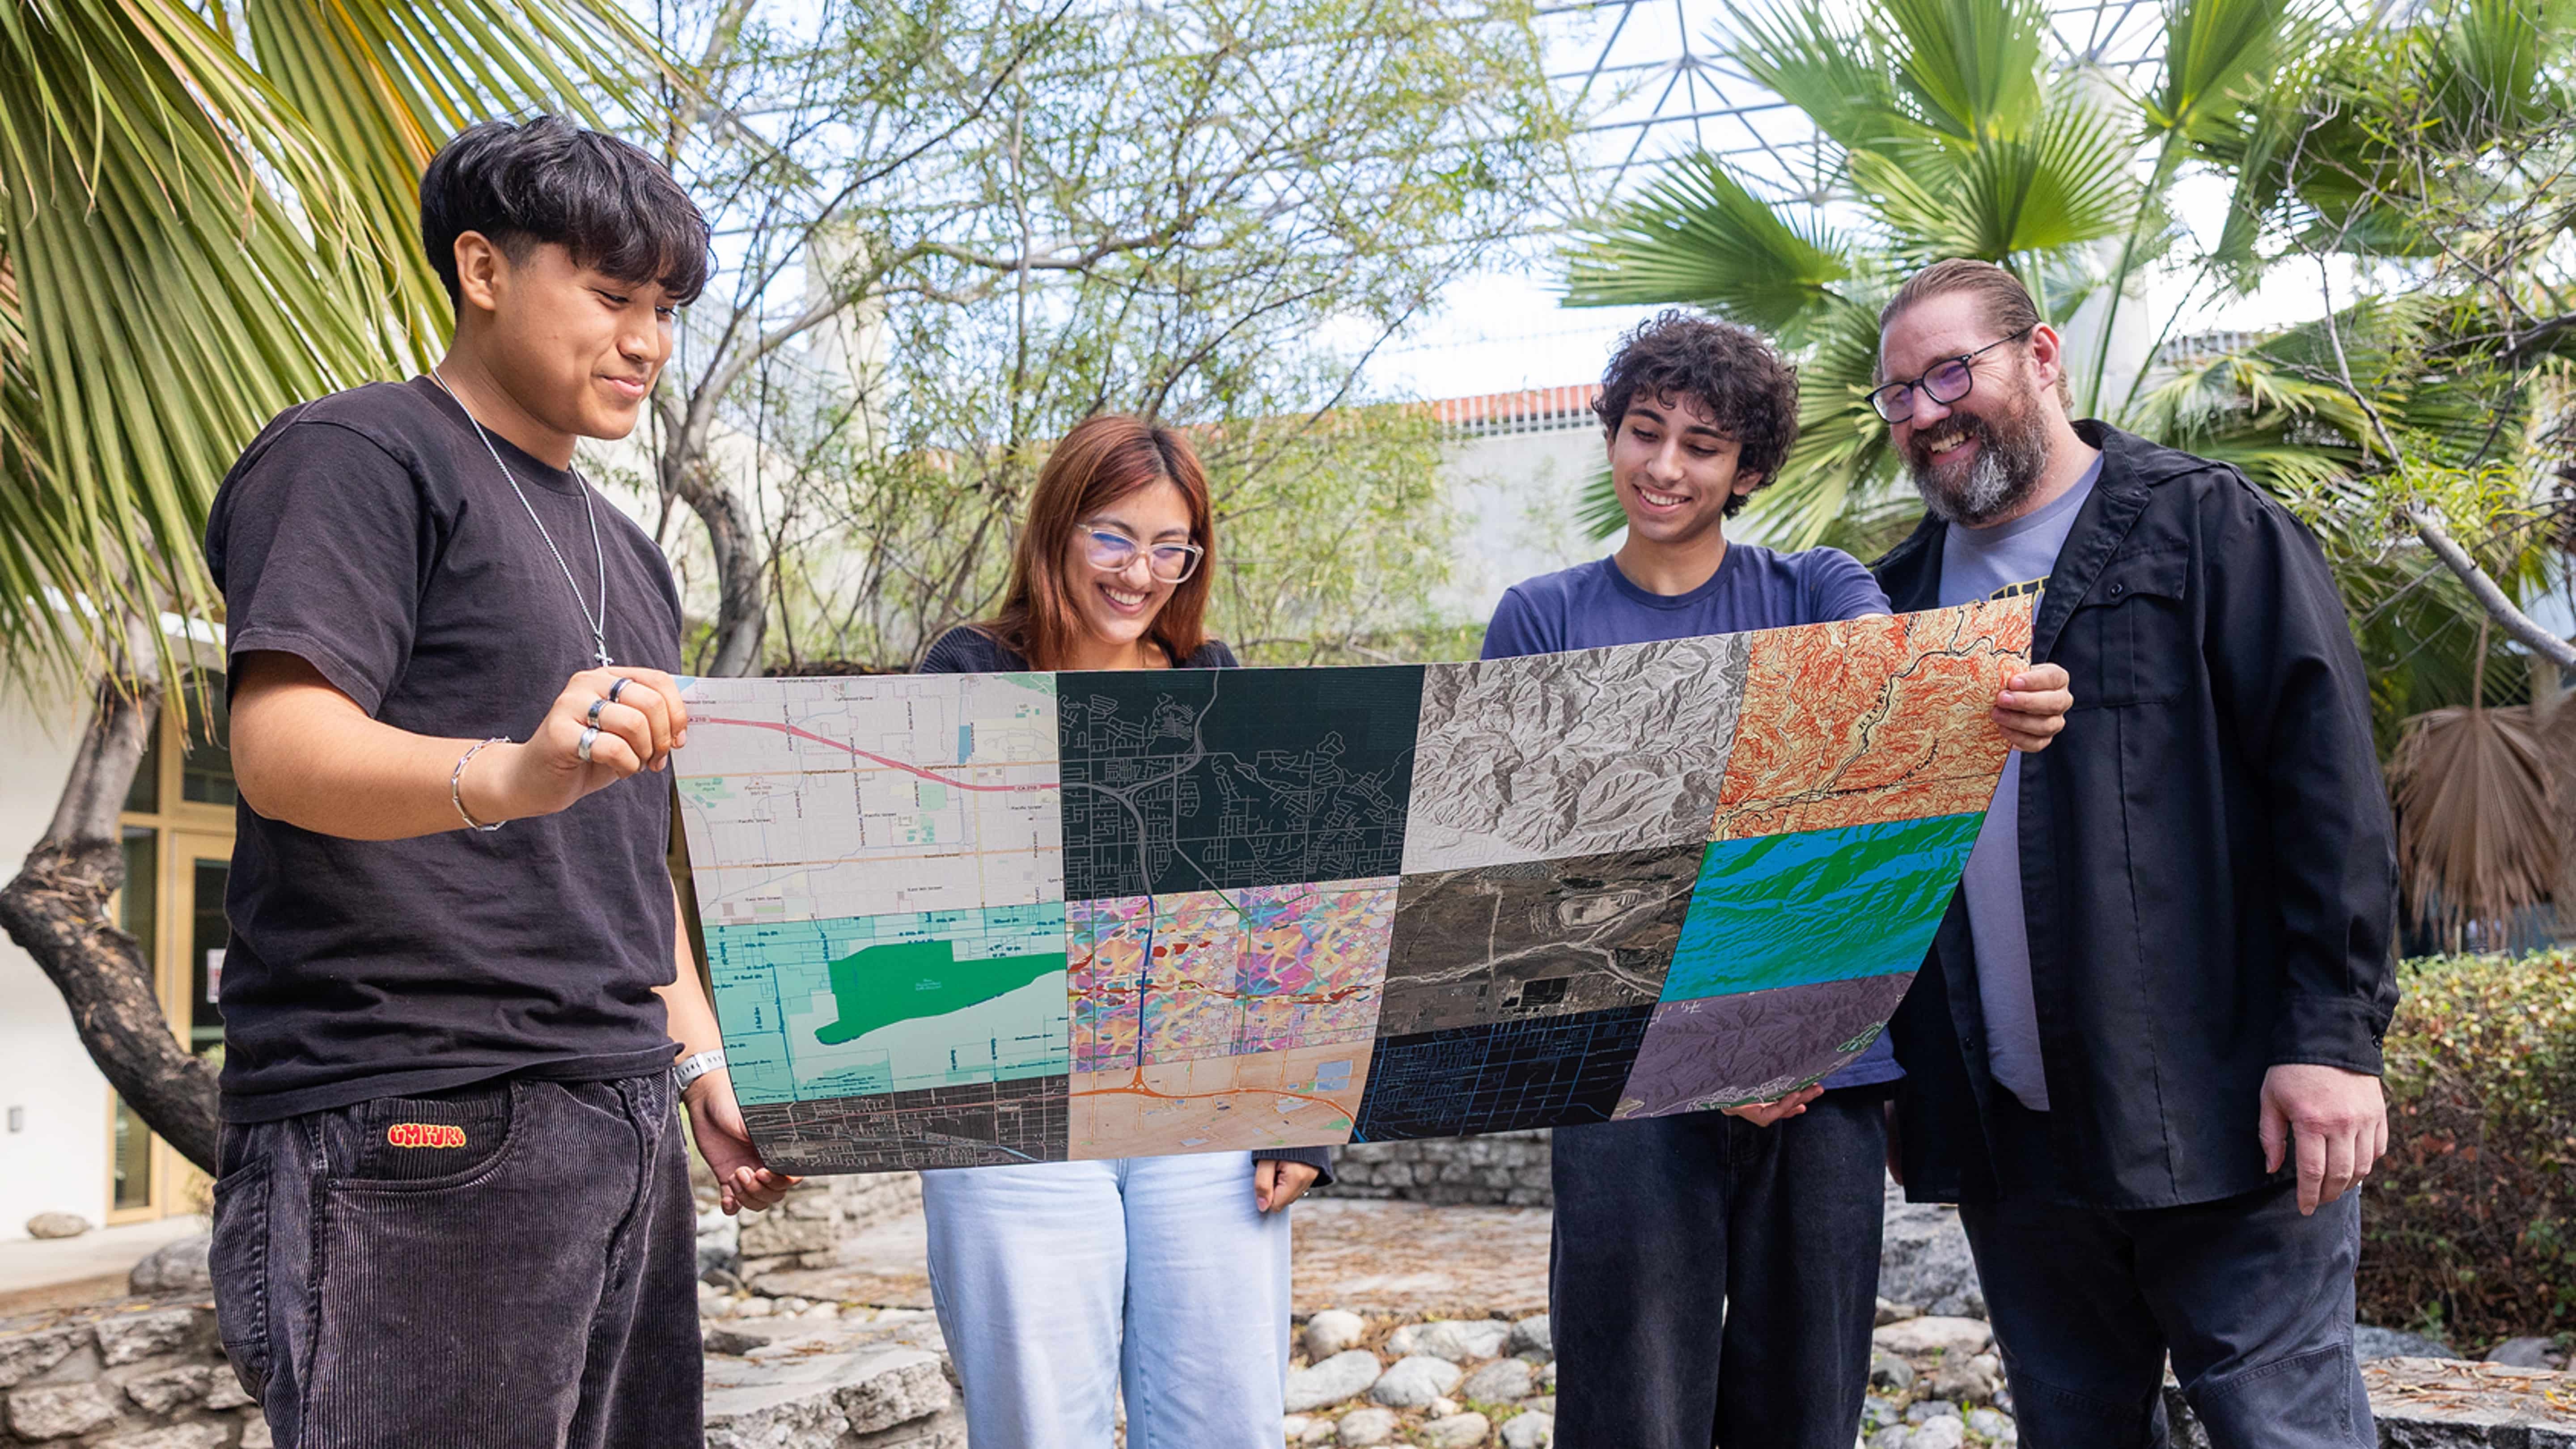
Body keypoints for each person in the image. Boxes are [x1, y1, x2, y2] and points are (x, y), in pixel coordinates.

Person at [203, 117, 790, 1449]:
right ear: (481, 268)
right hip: (420, 1111)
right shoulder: (358, 455)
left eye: (666, 310)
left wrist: (700, 1058)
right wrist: (510, 773)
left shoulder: (634, 554)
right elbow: (279, 748)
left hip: (622, 1110)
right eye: (612, 296)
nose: (647, 341)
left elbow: (627, 853)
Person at [1482, 309, 2074, 1449]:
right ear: (1610, 432)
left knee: (1807, 1410)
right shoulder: (1539, 619)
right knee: (1628, 1409)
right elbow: (1530, 886)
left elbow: (1880, 738)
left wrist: (2007, 702)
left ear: (1748, 468)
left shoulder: (1817, 585)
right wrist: (1703, 1055)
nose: (1664, 467)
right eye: (1645, 431)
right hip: (1627, 1081)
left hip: (1823, 1077)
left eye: (1702, 446)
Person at [1868, 258, 2398, 1449]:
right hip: (2022, 1147)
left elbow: (2332, 797)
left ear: (2042, 356)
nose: (1927, 412)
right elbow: (1871, 867)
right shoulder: (1893, 606)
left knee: (2286, 1433)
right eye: (1898, 395)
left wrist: (2332, 1043)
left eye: (1953, 371)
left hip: (2229, 1120)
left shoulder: (2208, 527)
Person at [913, 412, 1330, 1449]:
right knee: (1039, 1422)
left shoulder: (1215, 681)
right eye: (1113, 535)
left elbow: (1290, 909)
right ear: (1058, 529)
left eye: (1170, 546)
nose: (1140, 572)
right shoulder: (964, 674)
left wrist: (1302, 1112)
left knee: (1224, 1418)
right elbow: (925, 904)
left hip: (1206, 1109)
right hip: (1020, 1109)